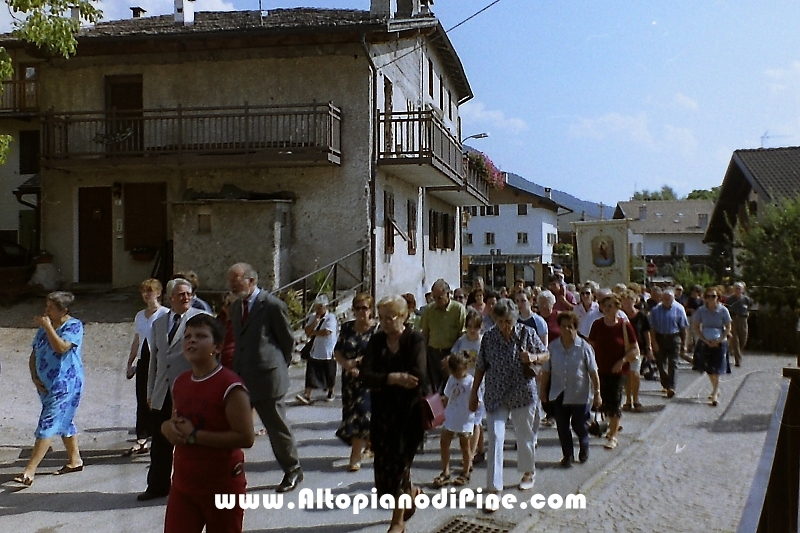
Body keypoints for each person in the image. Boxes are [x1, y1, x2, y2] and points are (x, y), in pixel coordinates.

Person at [162, 313, 255, 533]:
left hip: (222, 487)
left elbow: (246, 437)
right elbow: (174, 421)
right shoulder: (180, 382)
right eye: (187, 336)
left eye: (201, 336)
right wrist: (166, 428)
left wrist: (195, 436)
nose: (191, 340)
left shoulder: (231, 386)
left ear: (218, 347)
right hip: (184, 486)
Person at [228, 263, 302, 493]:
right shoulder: (235, 307)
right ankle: (229, 469)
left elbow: (287, 340)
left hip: (268, 377)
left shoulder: (271, 305)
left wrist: (278, 365)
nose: (231, 286)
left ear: (251, 281)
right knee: (232, 425)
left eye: (236, 282)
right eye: (230, 282)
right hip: (241, 376)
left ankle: (293, 469)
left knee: (276, 427)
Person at [469, 298, 548, 508]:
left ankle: (528, 472)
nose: (505, 325)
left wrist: (532, 357)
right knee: (495, 436)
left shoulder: (526, 333)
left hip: (522, 393)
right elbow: (480, 366)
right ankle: (494, 489)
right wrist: (474, 393)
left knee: (524, 436)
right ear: (495, 319)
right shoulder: (489, 338)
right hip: (496, 394)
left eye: (508, 321)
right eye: (501, 321)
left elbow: (546, 354)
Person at [360, 295, 428, 533]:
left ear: (403, 316)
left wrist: (384, 379)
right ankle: (411, 493)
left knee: (401, 465)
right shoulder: (377, 341)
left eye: (390, 318)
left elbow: (418, 375)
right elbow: (365, 375)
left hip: (409, 414)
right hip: (382, 414)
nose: (385, 322)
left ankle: (397, 522)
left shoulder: (414, 339)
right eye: (381, 318)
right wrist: (394, 378)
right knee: (385, 467)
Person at [140, 278, 205, 501]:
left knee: (191, 440)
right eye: (181, 295)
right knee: (160, 442)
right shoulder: (159, 323)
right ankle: (158, 486)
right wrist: (150, 392)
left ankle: (193, 486)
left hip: (189, 389)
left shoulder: (200, 320)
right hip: (162, 391)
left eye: (189, 294)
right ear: (170, 298)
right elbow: (154, 359)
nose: (186, 298)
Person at [14, 292, 84, 486]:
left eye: (51, 308)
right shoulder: (46, 326)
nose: (47, 311)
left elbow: (61, 347)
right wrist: (34, 375)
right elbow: (35, 351)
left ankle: (29, 471)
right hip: (46, 383)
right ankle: (75, 460)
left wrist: (47, 327)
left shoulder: (73, 326)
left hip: (65, 383)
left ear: (64, 310)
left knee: (48, 422)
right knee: (63, 420)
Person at [539, 311, 601, 467]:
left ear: (575, 328)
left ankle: (584, 442)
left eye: (570, 327)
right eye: (563, 326)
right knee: (562, 426)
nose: (567, 330)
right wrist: (543, 391)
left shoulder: (584, 347)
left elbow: (593, 372)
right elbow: (546, 371)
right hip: (559, 392)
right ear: (559, 327)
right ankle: (568, 455)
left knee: (579, 424)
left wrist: (597, 393)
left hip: (580, 393)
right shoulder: (553, 347)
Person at [588, 293, 639, 451]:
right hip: (600, 369)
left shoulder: (624, 325)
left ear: (618, 307)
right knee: (603, 401)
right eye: (605, 306)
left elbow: (635, 350)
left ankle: (613, 436)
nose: (608, 309)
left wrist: (622, 361)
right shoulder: (597, 325)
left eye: (612, 305)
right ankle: (611, 427)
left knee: (615, 400)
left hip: (619, 371)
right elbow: (591, 346)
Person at [124, 278, 168, 457]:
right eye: (144, 291)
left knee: (158, 399)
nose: (146, 295)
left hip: (158, 360)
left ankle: (159, 434)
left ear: (158, 293)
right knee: (142, 398)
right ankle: (141, 438)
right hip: (144, 360)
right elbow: (137, 339)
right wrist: (130, 362)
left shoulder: (165, 314)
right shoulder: (140, 316)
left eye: (150, 291)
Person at [334, 293, 377, 472]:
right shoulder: (347, 328)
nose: (361, 312)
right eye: (357, 308)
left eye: (364, 308)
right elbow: (337, 351)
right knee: (352, 414)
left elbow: (379, 353)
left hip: (369, 379)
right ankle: (369, 444)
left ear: (371, 310)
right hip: (350, 380)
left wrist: (359, 362)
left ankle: (355, 456)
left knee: (363, 413)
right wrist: (347, 364)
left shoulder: (377, 330)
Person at [450, 309, 486, 467]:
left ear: (480, 327)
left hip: (480, 385)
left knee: (475, 420)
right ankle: (481, 449)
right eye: (469, 326)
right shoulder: (461, 341)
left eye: (475, 327)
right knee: (472, 418)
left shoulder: (484, 342)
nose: (472, 330)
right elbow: (454, 358)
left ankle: (470, 456)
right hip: (465, 384)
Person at [433, 352, 475, 488]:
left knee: (465, 446)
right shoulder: (451, 379)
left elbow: (477, 400)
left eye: (460, 373)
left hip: (465, 418)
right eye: (455, 373)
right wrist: (439, 414)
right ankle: (445, 471)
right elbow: (446, 397)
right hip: (451, 415)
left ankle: (465, 472)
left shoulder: (471, 381)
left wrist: (475, 406)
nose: (458, 376)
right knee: (444, 442)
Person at [420, 279, 467, 392]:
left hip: (450, 353)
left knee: (450, 389)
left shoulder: (458, 309)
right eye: (434, 297)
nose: (436, 300)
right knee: (429, 389)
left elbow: (462, 335)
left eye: (439, 297)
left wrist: (454, 355)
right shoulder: (429, 310)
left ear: (448, 294)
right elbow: (425, 333)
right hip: (432, 354)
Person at [693, 287, 732, 406]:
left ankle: (715, 393)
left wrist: (719, 340)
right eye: (708, 296)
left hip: (720, 341)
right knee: (709, 368)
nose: (711, 299)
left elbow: (728, 328)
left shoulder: (723, 310)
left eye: (713, 296)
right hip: (705, 341)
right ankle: (715, 388)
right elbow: (696, 327)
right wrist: (704, 340)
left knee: (717, 368)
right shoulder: (701, 311)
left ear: (718, 297)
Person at [648, 288, 689, 399]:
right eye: (665, 299)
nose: (667, 301)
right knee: (661, 364)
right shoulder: (655, 310)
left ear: (673, 298)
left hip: (674, 337)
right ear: (661, 299)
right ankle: (665, 383)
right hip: (660, 338)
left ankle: (671, 387)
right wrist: (653, 343)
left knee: (673, 362)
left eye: (669, 299)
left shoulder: (679, 309)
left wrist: (684, 344)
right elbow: (652, 328)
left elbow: (684, 328)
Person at [297, 295, 338, 404]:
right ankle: (307, 394)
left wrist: (313, 332)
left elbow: (327, 332)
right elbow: (307, 331)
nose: (318, 309)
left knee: (329, 373)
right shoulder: (313, 317)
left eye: (320, 307)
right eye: (317, 307)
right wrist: (315, 322)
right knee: (311, 372)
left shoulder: (331, 318)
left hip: (328, 350)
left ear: (325, 307)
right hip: (315, 349)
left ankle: (330, 391)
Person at [621, 289, 652, 410]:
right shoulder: (620, 316)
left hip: (638, 348)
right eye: (625, 302)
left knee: (635, 374)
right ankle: (628, 400)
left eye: (630, 302)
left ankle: (636, 399)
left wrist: (649, 347)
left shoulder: (641, 315)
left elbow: (646, 332)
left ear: (635, 301)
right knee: (626, 375)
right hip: (622, 349)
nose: (628, 304)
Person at [726, 282, 752, 367]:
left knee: (743, 338)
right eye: (736, 288)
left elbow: (750, 307)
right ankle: (738, 359)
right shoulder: (730, 299)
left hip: (743, 319)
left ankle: (737, 352)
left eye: (739, 289)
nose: (738, 290)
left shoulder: (746, 299)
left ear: (742, 290)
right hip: (733, 319)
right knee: (734, 339)